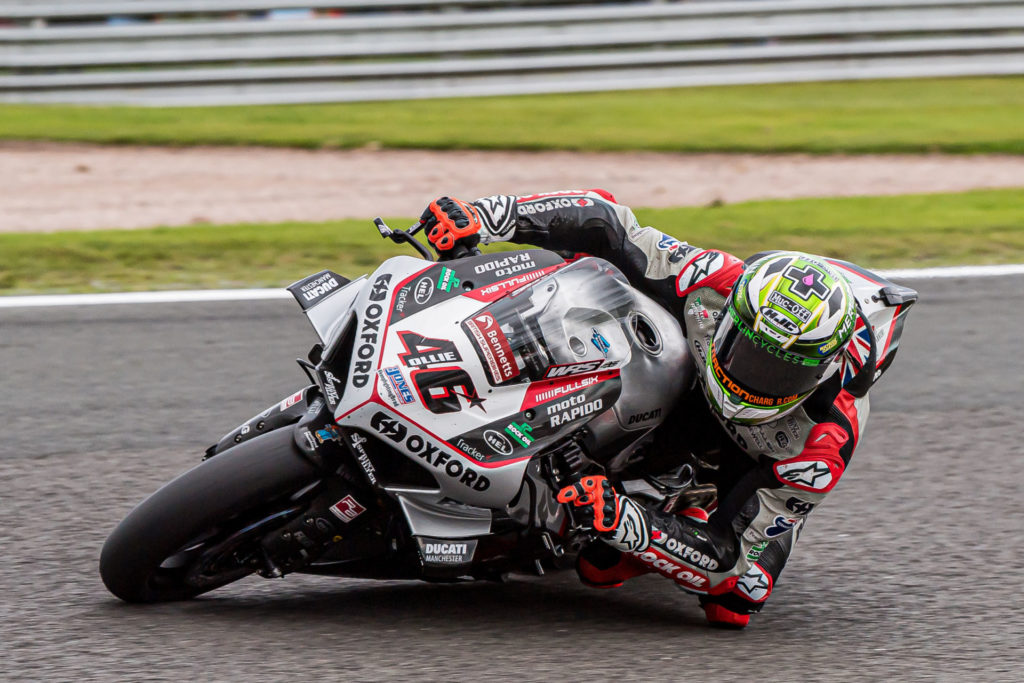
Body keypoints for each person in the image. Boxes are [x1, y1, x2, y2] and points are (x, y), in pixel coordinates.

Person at [417, 191, 907, 628]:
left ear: (820, 371)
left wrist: (624, 520)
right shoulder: (716, 281)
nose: (751, 377)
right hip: (689, 383)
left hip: (750, 460)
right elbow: (610, 222)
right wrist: (488, 216)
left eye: (780, 371)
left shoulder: (823, 442)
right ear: (733, 313)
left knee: (733, 599)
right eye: (746, 350)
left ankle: (680, 504)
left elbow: (730, 561)